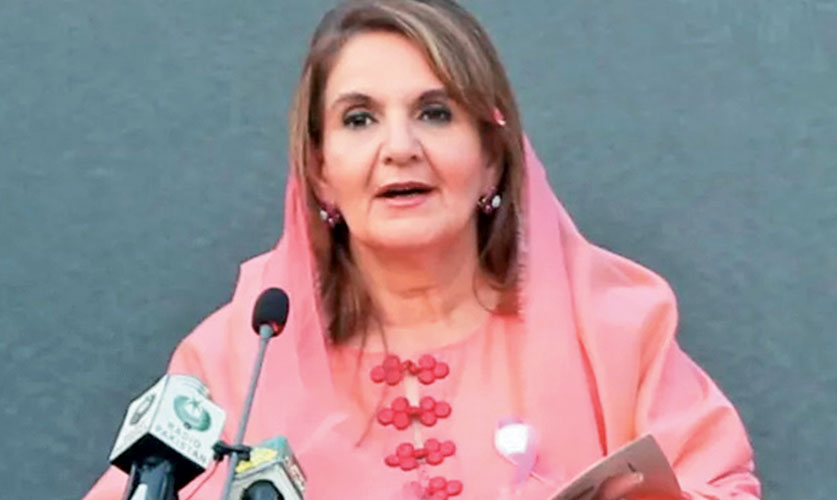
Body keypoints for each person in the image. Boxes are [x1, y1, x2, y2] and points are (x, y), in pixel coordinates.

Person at [85, 0, 761, 498]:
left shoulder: (615, 327)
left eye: (435, 112)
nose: (399, 147)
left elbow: (723, 488)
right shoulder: (242, 352)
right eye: (359, 119)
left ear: (493, 160)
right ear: (320, 171)